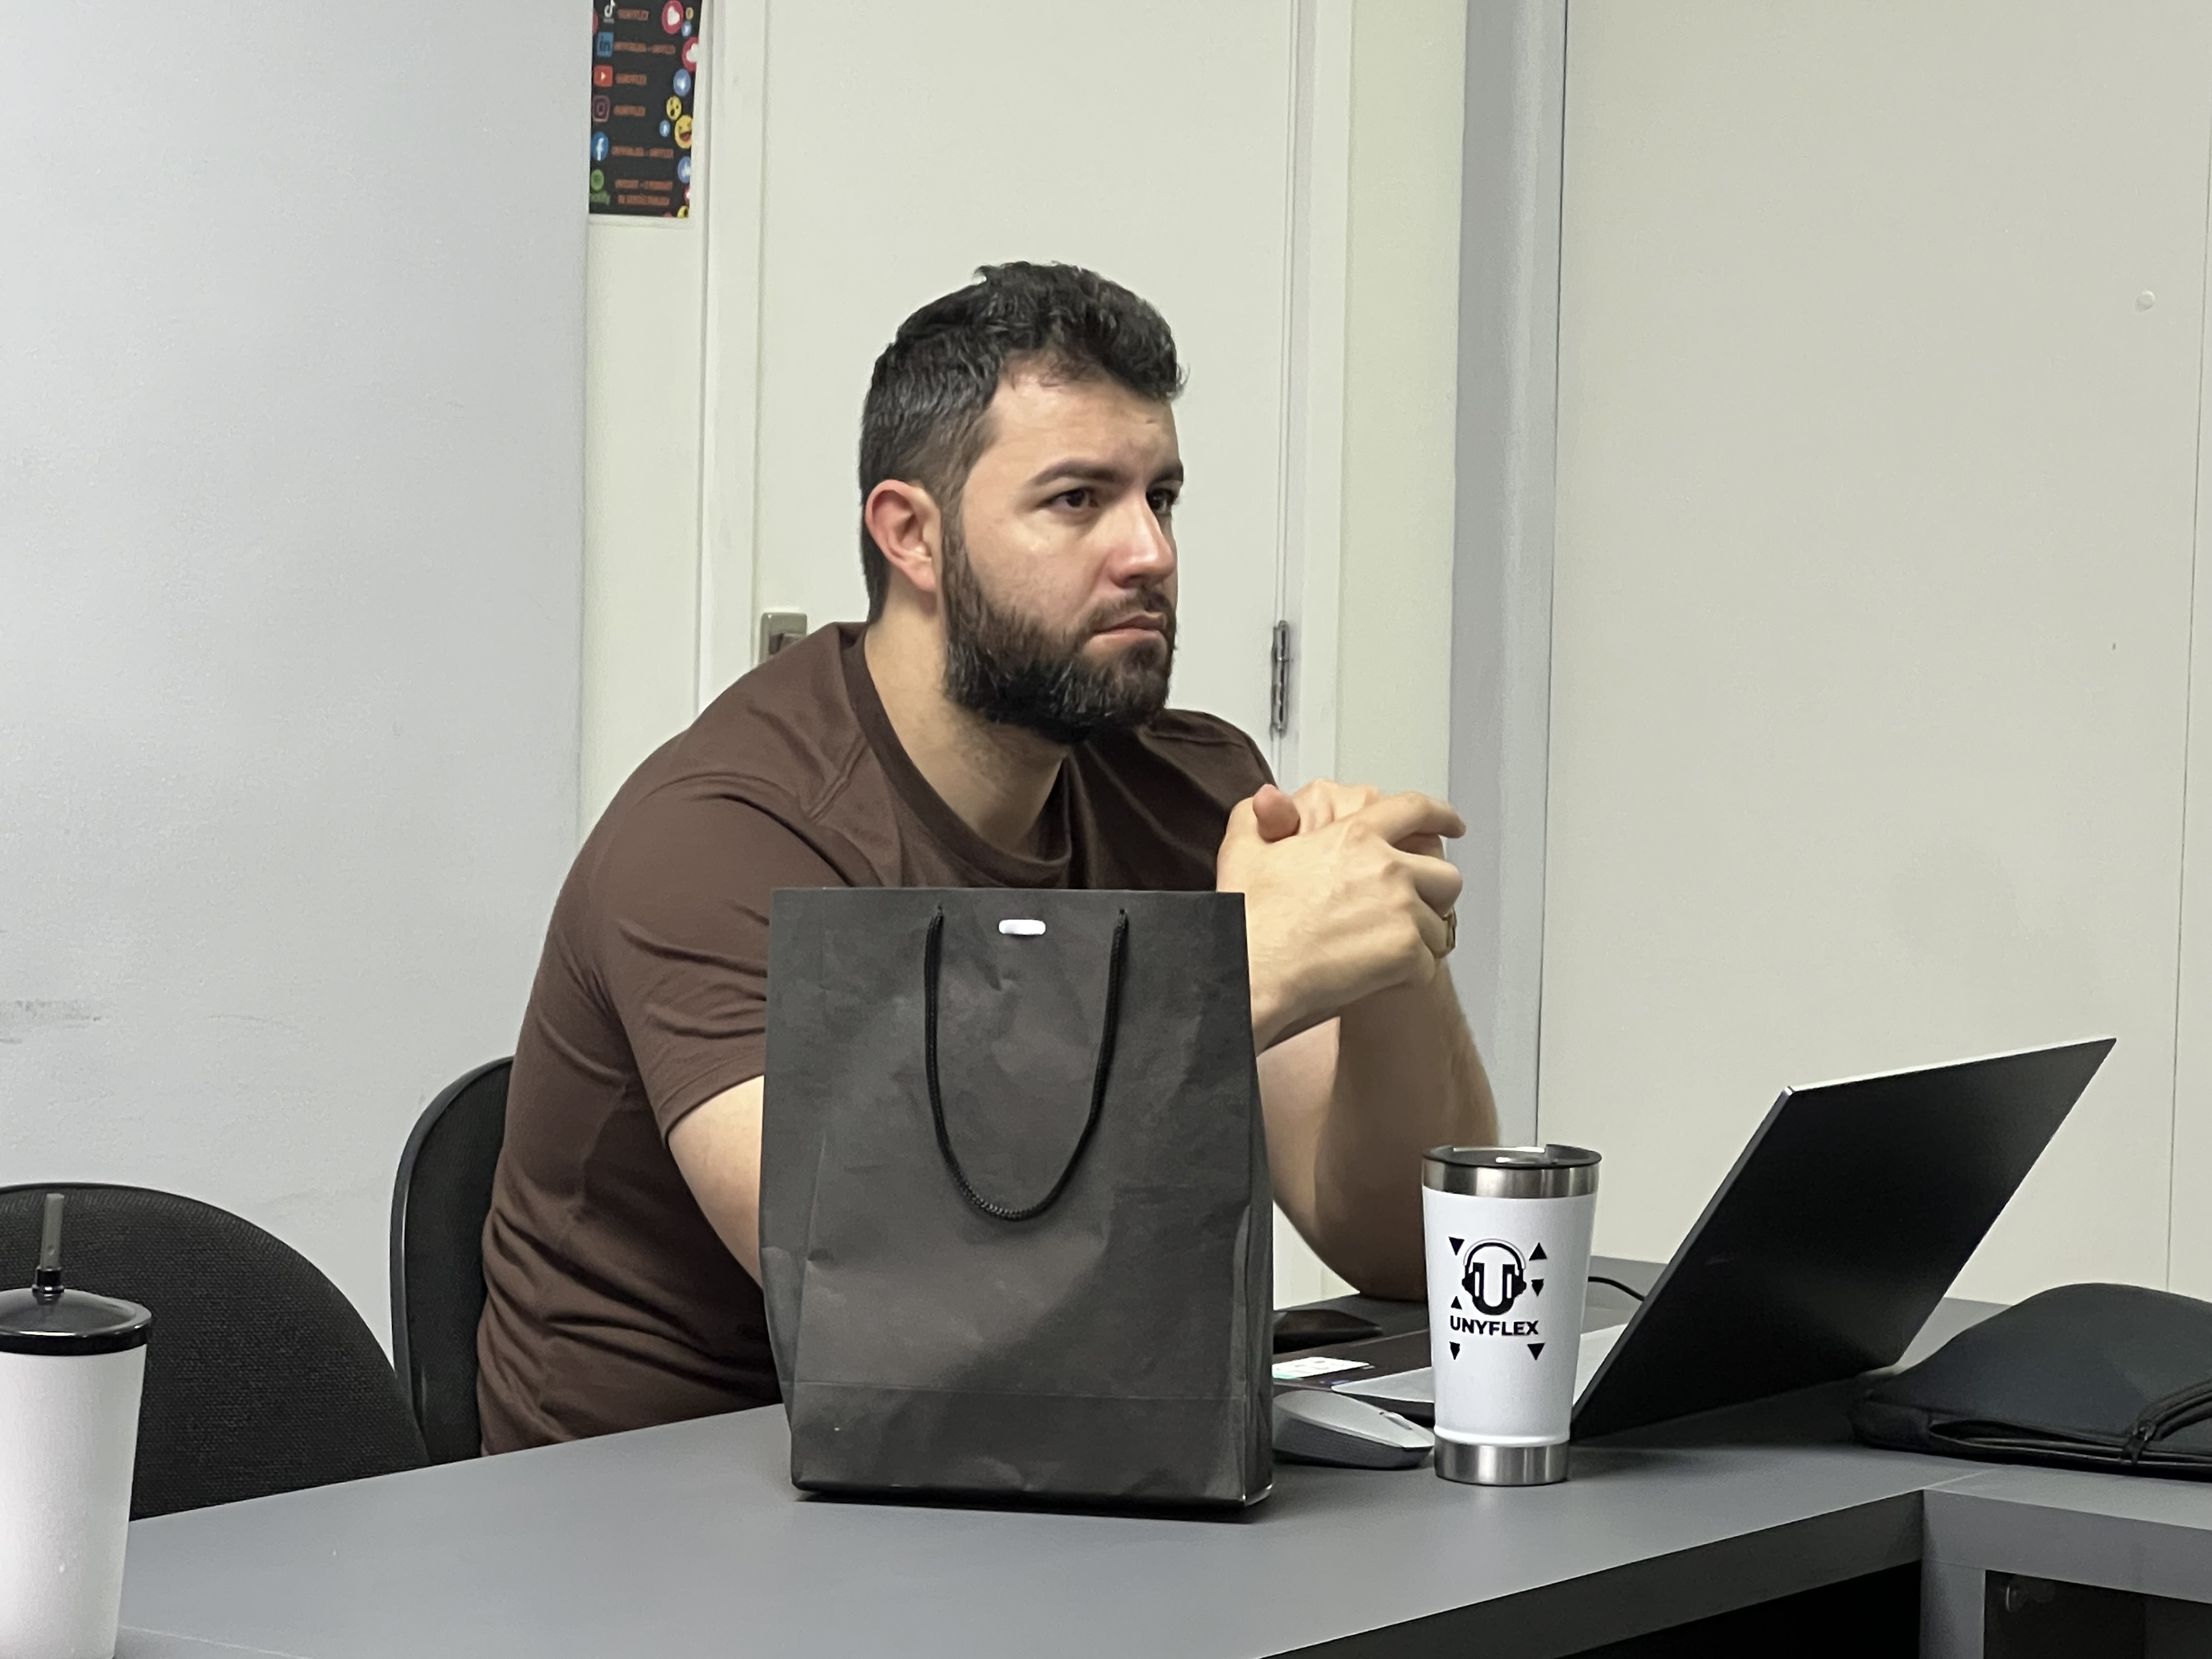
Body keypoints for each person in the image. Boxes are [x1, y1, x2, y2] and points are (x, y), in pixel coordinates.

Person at [476, 261, 1497, 1452]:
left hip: (1054, 1444)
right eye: (1077, 500)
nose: (1150, 552)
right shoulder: (721, 836)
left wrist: (1389, 954)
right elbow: (880, 1287)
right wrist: (1230, 982)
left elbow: (1410, 1255)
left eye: (1161, 497)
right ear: (911, 534)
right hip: (673, 1501)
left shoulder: (1186, 788)